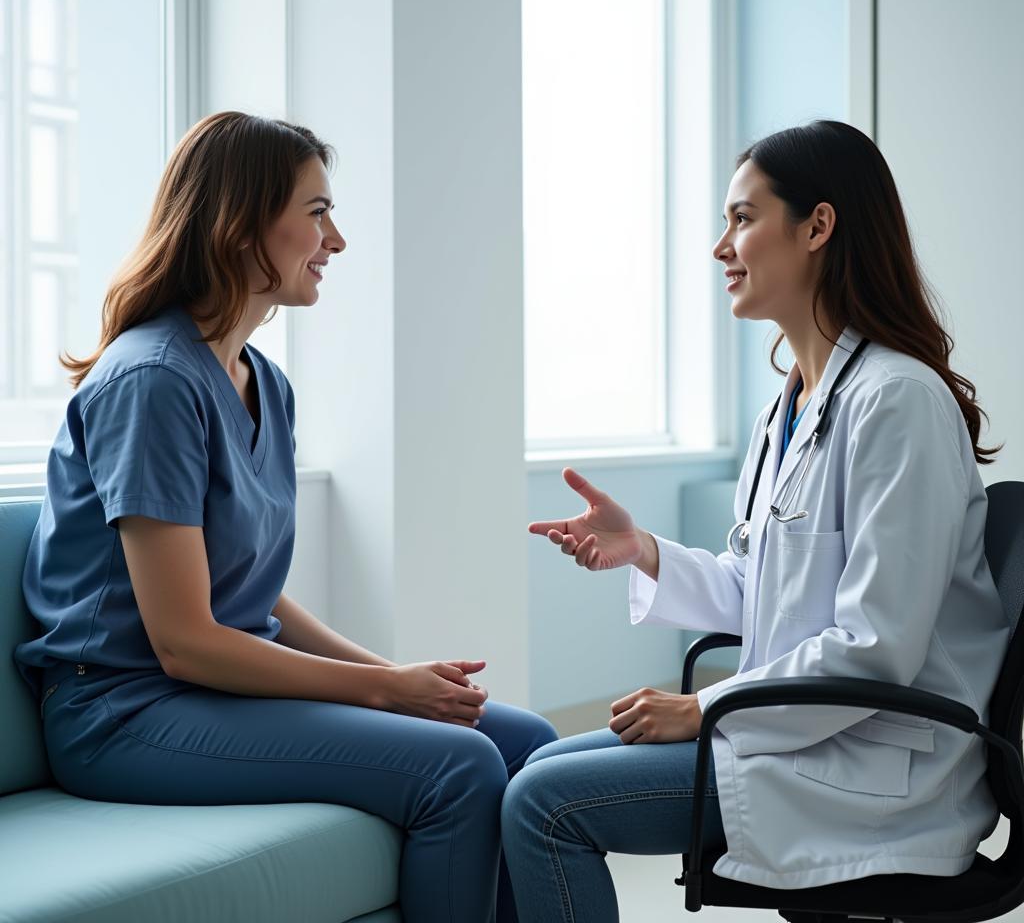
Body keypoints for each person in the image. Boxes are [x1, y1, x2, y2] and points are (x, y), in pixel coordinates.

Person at [16, 111, 556, 923]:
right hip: (120, 712)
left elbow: (254, 594)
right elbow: (184, 640)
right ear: (240, 227)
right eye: (316, 213)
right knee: (459, 768)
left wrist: (398, 678)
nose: (335, 240)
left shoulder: (262, 380)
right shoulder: (153, 383)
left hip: (210, 698)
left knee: (530, 746)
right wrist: (382, 691)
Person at [503, 120, 1009, 920]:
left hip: (877, 767)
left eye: (742, 218)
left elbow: (874, 649)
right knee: (527, 771)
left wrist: (704, 706)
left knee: (543, 807)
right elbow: (766, 591)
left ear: (817, 226)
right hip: (806, 733)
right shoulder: (792, 407)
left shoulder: (897, 401)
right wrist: (645, 551)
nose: (720, 247)